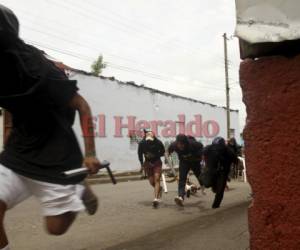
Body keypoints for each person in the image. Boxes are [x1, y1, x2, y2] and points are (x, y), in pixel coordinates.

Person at [0, 5, 101, 250]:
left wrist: (89, 154)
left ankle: (77, 189)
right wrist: (7, 140)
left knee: (55, 229)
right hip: (18, 152)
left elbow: (82, 106)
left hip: (57, 156)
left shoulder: (38, 68)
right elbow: (10, 106)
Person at [167, 134, 204, 207]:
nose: (180, 146)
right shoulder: (174, 145)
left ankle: (202, 185)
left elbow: (201, 146)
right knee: (182, 179)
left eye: (182, 144)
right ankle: (180, 197)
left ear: (185, 143)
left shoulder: (193, 144)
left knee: (198, 175)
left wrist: (202, 156)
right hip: (184, 162)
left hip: (194, 161)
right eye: (179, 144)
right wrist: (168, 153)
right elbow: (169, 150)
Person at [203, 137, 237, 209]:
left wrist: (232, 164)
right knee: (206, 183)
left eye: (218, 148)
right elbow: (202, 153)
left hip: (223, 171)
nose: (216, 150)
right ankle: (214, 186)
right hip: (212, 169)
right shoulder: (209, 148)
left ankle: (215, 206)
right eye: (215, 148)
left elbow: (235, 160)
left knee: (220, 190)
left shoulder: (228, 151)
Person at [138, 129, 165, 208]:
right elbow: (139, 154)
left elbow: (163, 151)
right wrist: (141, 165)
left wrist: (156, 155)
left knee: (157, 179)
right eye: (148, 140)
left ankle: (155, 199)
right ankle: (159, 188)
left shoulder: (158, 142)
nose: (149, 141)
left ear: (153, 138)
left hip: (157, 162)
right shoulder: (142, 143)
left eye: (151, 140)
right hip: (147, 163)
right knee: (151, 182)